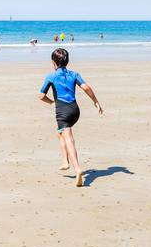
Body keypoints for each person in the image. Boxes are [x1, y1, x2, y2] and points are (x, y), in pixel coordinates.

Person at [38, 48, 103, 187]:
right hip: (75, 111)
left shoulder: (51, 76)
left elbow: (41, 96)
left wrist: (51, 102)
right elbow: (86, 87)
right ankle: (65, 161)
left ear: (53, 62)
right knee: (60, 133)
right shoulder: (74, 74)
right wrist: (96, 102)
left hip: (62, 112)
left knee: (69, 140)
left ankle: (78, 169)